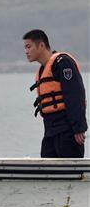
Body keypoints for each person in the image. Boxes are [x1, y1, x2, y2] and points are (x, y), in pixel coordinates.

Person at [23, 29, 86, 158]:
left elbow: (75, 95)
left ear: (41, 45)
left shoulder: (63, 63)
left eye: (29, 47)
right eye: (25, 48)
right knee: (46, 169)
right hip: (50, 131)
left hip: (67, 131)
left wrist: (79, 128)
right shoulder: (43, 70)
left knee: (70, 173)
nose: (26, 51)